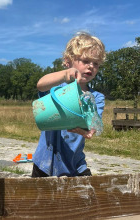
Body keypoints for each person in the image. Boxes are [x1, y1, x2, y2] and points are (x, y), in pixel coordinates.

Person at [32, 32, 106, 177]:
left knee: (87, 197)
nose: (91, 66)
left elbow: (94, 124)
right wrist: (65, 75)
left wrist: (89, 131)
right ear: (68, 61)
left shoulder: (96, 97)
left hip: (75, 164)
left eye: (95, 63)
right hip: (44, 162)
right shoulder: (56, 89)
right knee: (40, 199)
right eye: (85, 61)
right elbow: (40, 85)